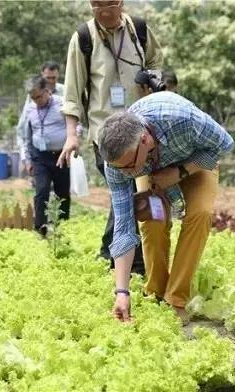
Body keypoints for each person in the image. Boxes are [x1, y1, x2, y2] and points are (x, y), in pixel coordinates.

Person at [97, 91, 234, 324]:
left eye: (129, 166)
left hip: (195, 164)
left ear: (144, 140)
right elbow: (123, 227)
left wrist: (180, 172)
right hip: (153, 173)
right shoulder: (119, 166)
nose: (126, 174)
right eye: (119, 168)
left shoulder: (183, 120)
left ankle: (177, 299)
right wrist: (121, 291)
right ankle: (156, 292)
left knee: (200, 214)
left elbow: (224, 144)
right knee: (153, 220)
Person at [58, 0, 163, 274]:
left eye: (109, 4)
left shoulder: (139, 30)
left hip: (140, 132)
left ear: (121, 3)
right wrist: (71, 134)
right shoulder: (83, 38)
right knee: (127, 192)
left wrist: (150, 78)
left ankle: (111, 252)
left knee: (127, 194)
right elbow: (72, 91)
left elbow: (156, 62)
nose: (103, 11)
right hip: (105, 136)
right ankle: (131, 264)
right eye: (96, 5)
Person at [23, 76, 70, 236]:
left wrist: (72, 145)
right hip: (40, 157)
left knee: (62, 193)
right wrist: (28, 159)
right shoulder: (30, 109)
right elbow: (27, 136)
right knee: (41, 190)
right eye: (33, 97)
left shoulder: (62, 104)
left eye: (39, 96)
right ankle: (40, 228)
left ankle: (62, 227)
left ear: (47, 91)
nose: (36, 101)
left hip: (60, 155)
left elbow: (74, 126)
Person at [16, 61, 65, 174]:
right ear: (42, 76)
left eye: (54, 78)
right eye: (48, 78)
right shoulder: (33, 95)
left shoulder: (64, 91)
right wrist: (25, 156)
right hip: (40, 152)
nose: (51, 81)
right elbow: (23, 126)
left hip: (60, 150)